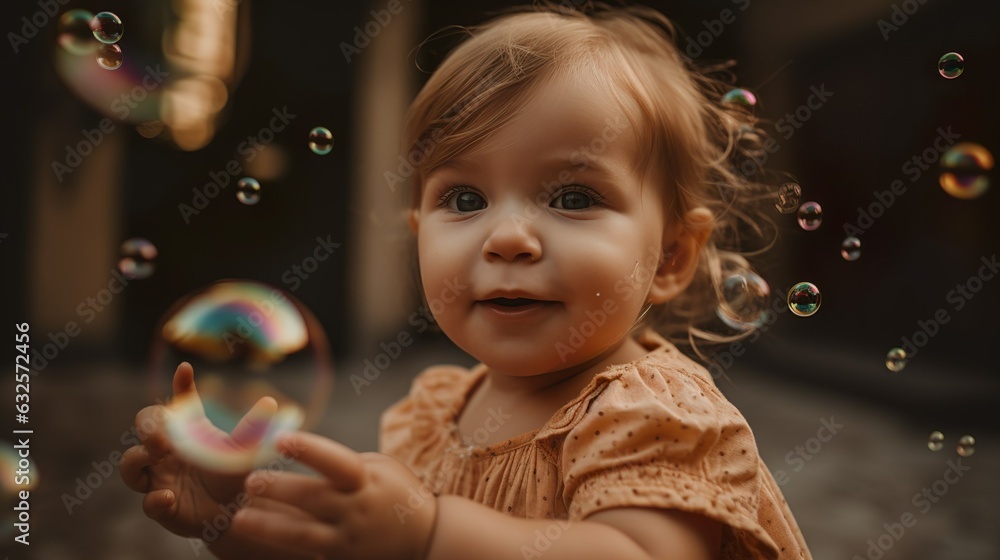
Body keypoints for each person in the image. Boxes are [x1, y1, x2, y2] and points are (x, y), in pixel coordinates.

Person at [121, 3, 813, 559]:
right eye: (464, 200)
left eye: (572, 197)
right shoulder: (433, 414)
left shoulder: (652, 414)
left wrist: (428, 534)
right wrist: (231, 520)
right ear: (419, 231)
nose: (506, 236)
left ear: (669, 257)